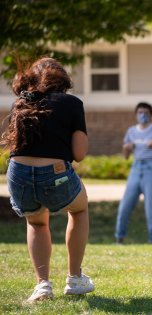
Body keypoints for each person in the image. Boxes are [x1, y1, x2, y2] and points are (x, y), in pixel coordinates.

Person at [1, 57, 95, 302]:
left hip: (17, 172)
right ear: (62, 78)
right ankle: (75, 279)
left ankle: (42, 285)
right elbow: (79, 154)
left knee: (37, 223)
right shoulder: (71, 103)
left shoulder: (21, 102)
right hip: (53, 172)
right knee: (79, 209)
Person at [114, 102, 152, 244]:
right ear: (136, 114)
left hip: (151, 170)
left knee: (151, 209)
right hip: (135, 169)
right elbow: (125, 156)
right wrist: (127, 148)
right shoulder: (131, 131)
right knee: (124, 206)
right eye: (140, 112)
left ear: (150, 115)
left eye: (145, 112)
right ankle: (119, 238)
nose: (142, 115)